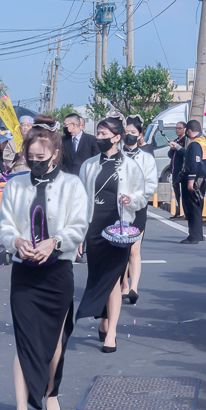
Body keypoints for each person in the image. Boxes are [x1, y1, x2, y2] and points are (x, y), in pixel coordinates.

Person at [0, 118, 88, 410]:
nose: (36, 164)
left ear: (55, 153)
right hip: (24, 273)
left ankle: (51, 393)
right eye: (31, 159)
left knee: (54, 345)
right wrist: (16, 242)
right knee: (25, 343)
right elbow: (5, 225)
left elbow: (79, 225)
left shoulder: (71, 186)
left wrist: (56, 241)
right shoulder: (15, 184)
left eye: (42, 159)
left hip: (57, 273)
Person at [76, 118, 148, 352]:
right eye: (97, 133)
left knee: (114, 279)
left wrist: (130, 199)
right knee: (99, 277)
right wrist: (78, 234)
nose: (99, 137)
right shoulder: (88, 165)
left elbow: (141, 197)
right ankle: (105, 319)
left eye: (104, 133)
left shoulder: (130, 166)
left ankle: (112, 332)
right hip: (94, 228)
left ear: (116, 137)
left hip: (118, 228)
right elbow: (79, 200)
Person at [121, 116, 159, 301]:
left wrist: (134, 198)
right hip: (118, 209)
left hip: (138, 208)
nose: (129, 136)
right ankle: (124, 285)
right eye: (126, 132)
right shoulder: (117, 155)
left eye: (133, 133)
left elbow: (150, 185)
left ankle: (133, 287)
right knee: (121, 250)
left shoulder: (147, 158)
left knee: (134, 250)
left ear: (140, 136)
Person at [181, 120, 206, 245]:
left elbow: (194, 163)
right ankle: (198, 234)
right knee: (198, 206)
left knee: (192, 208)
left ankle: (194, 236)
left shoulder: (195, 145)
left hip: (195, 179)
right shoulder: (202, 141)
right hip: (202, 178)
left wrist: (190, 181)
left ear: (189, 131)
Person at [168, 121, 188, 218]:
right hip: (174, 170)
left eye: (179, 128)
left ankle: (183, 211)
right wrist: (172, 148)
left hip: (182, 170)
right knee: (176, 191)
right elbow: (170, 155)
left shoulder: (186, 141)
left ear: (185, 129)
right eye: (176, 128)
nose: (177, 130)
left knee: (182, 192)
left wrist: (177, 147)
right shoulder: (176, 140)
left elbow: (185, 153)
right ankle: (178, 210)